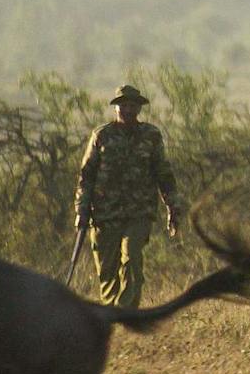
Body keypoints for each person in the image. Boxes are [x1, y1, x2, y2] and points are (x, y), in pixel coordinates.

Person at [72, 83, 184, 309]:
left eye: (133, 106)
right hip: (104, 215)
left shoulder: (151, 136)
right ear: (116, 108)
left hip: (139, 212)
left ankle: (127, 311)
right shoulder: (101, 136)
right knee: (107, 272)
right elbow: (86, 176)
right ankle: (111, 313)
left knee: (131, 257)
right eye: (124, 106)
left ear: (139, 108)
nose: (128, 110)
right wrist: (81, 211)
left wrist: (173, 207)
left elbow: (163, 173)